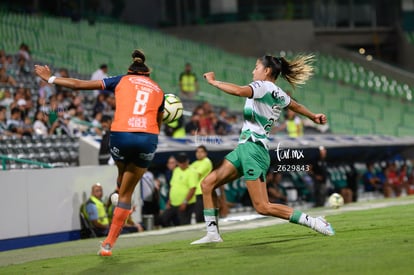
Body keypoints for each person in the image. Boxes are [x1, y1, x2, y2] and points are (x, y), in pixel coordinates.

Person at [191, 54, 334, 245]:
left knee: (262, 206)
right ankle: (212, 234)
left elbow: (239, 91)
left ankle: (315, 222)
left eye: (256, 67)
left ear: (267, 71)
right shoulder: (278, 92)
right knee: (207, 184)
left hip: (253, 150)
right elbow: (296, 106)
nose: (253, 71)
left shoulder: (262, 86)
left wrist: (214, 82)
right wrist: (313, 116)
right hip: (244, 148)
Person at [35, 49, 165, 256]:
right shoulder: (159, 90)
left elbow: (79, 85)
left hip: (121, 135)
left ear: (130, 71)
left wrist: (50, 78)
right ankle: (108, 244)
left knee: (122, 175)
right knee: (127, 192)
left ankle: (118, 188)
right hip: (147, 137)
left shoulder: (121, 80)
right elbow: (159, 123)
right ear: (147, 74)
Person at [160, 152, 198, 227]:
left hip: (186, 204)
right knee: (164, 219)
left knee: (184, 223)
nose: (182, 164)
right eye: (180, 162)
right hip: (174, 203)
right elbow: (172, 186)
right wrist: (169, 200)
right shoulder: (176, 170)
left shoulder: (192, 171)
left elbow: (192, 188)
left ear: (187, 161)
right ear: (178, 162)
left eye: (184, 162)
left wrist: (185, 202)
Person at [190, 145, 213, 223]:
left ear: (206, 153)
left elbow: (197, 174)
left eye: (201, 152)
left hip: (203, 191)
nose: (199, 153)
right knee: (198, 215)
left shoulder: (206, 161)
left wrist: (192, 171)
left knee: (201, 215)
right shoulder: (195, 163)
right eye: (197, 152)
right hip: (196, 192)